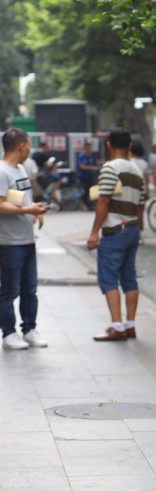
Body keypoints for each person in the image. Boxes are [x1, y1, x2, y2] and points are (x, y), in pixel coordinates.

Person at [86, 128, 146, 342]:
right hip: (131, 230)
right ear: (130, 146)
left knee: (108, 277)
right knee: (129, 277)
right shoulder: (138, 171)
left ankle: (117, 326)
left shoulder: (109, 168)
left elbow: (104, 201)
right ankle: (130, 325)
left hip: (114, 230)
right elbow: (141, 205)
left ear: (108, 145)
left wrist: (94, 233)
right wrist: (138, 229)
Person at [0, 128, 49, 350]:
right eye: (29, 144)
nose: (30, 149)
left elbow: (16, 201)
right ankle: (9, 333)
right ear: (21, 145)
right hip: (9, 243)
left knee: (30, 288)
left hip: (27, 240)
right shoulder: (2, 172)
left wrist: (33, 212)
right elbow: (0, 204)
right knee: (9, 290)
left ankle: (29, 329)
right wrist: (30, 209)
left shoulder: (19, 169)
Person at [77, 141, 100, 209]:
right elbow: (81, 166)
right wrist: (91, 167)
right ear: (84, 148)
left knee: (90, 190)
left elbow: (95, 163)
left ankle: (90, 204)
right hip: (82, 176)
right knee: (85, 190)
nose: (89, 149)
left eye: (89, 148)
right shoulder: (81, 156)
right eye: (87, 148)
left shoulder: (91, 155)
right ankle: (83, 204)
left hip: (90, 175)